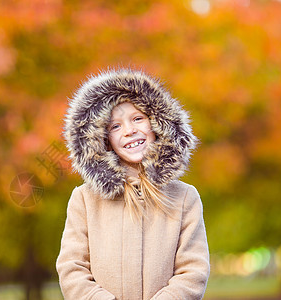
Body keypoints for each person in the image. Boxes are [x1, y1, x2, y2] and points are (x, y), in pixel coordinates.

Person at [56, 68, 210, 300]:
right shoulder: (85, 199)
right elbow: (72, 268)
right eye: (115, 126)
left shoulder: (185, 197)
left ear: (157, 124)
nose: (129, 131)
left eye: (138, 118)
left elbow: (192, 270)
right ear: (104, 140)